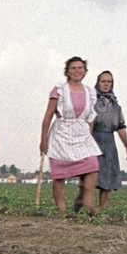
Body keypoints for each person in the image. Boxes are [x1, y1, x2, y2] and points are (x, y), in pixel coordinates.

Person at [40, 55, 101, 215]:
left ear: (85, 71)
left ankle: (88, 202)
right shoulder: (59, 90)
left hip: (82, 134)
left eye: (80, 68)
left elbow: (91, 117)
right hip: (61, 133)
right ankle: (61, 210)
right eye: (73, 68)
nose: (77, 71)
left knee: (92, 166)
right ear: (67, 71)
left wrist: (89, 134)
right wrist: (43, 140)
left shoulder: (90, 92)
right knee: (60, 175)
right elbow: (48, 116)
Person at [92, 70, 127, 210]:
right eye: (103, 81)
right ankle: (87, 207)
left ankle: (102, 208)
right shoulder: (91, 100)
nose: (106, 84)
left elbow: (121, 127)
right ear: (98, 83)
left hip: (109, 141)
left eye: (109, 82)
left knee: (108, 175)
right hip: (93, 139)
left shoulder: (116, 106)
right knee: (90, 174)